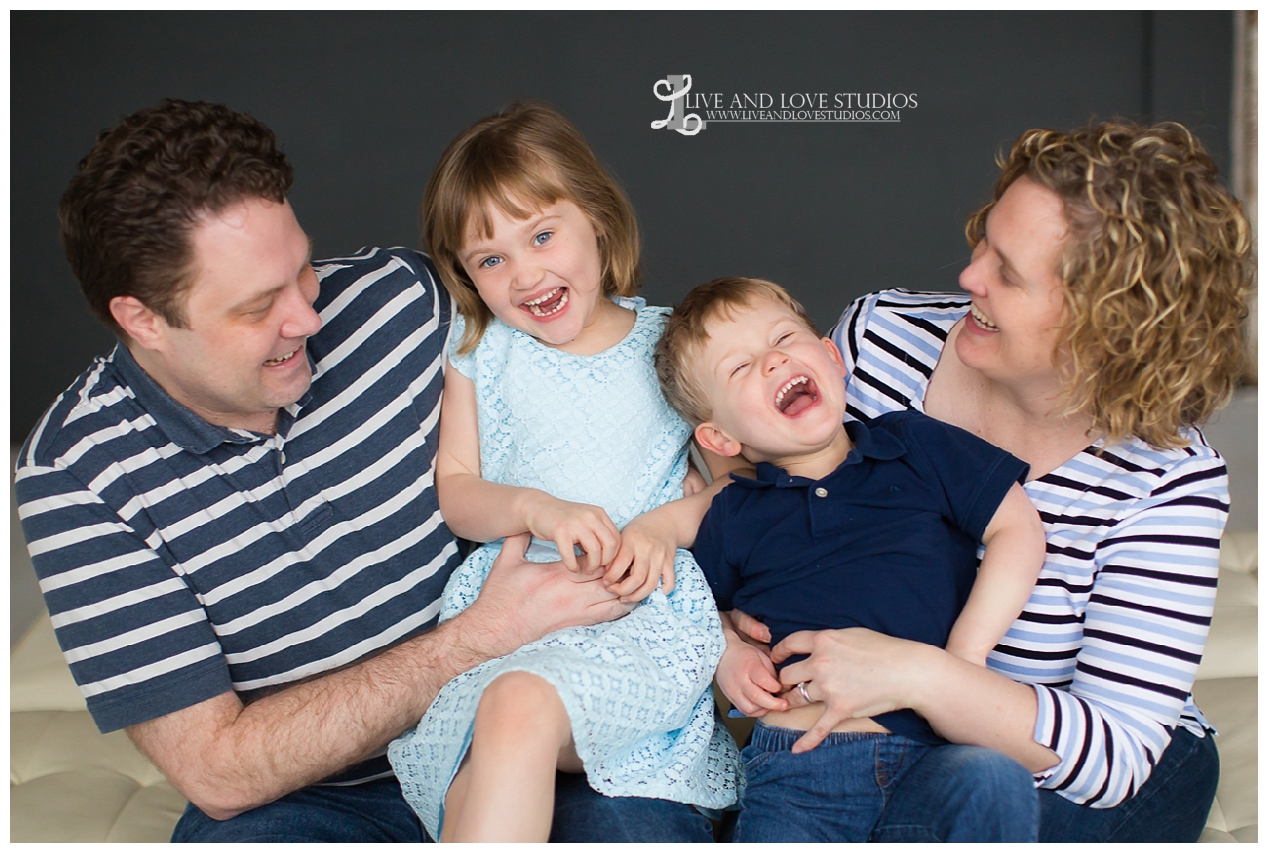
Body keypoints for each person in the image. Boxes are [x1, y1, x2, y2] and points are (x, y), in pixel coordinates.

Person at [13, 99, 710, 843]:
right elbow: (218, 772)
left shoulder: (402, 304)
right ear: (143, 319)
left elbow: (622, 390)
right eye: (257, 306)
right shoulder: (76, 474)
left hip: (545, 727)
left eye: (301, 270)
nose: (308, 317)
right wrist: (481, 634)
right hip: (313, 797)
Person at [724, 121, 1250, 842]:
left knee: (977, 780)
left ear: (1107, 329)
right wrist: (726, 632)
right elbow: (752, 513)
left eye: (1008, 271)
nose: (969, 275)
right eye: (984, 242)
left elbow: (1117, 755)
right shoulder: (880, 343)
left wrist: (920, 674)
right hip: (871, 743)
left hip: (1065, 765)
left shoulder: (1169, 478)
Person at [384, 102, 740, 843]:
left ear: (599, 219)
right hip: (510, 616)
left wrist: (658, 527)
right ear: (465, 274)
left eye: (542, 235)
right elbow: (458, 491)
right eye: (491, 259)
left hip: (634, 617)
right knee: (481, 762)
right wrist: (536, 509)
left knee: (515, 708)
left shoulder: (670, 344)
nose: (526, 274)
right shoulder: (482, 354)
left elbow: (730, 497)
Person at [653, 276, 1045, 841]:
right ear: (719, 439)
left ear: (833, 358)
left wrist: (965, 658)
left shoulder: (914, 445)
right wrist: (728, 651)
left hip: (934, 750)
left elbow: (1017, 529)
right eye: (739, 368)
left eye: (784, 336)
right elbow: (695, 607)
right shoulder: (733, 513)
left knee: (993, 779)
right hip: (799, 767)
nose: (772, 361)